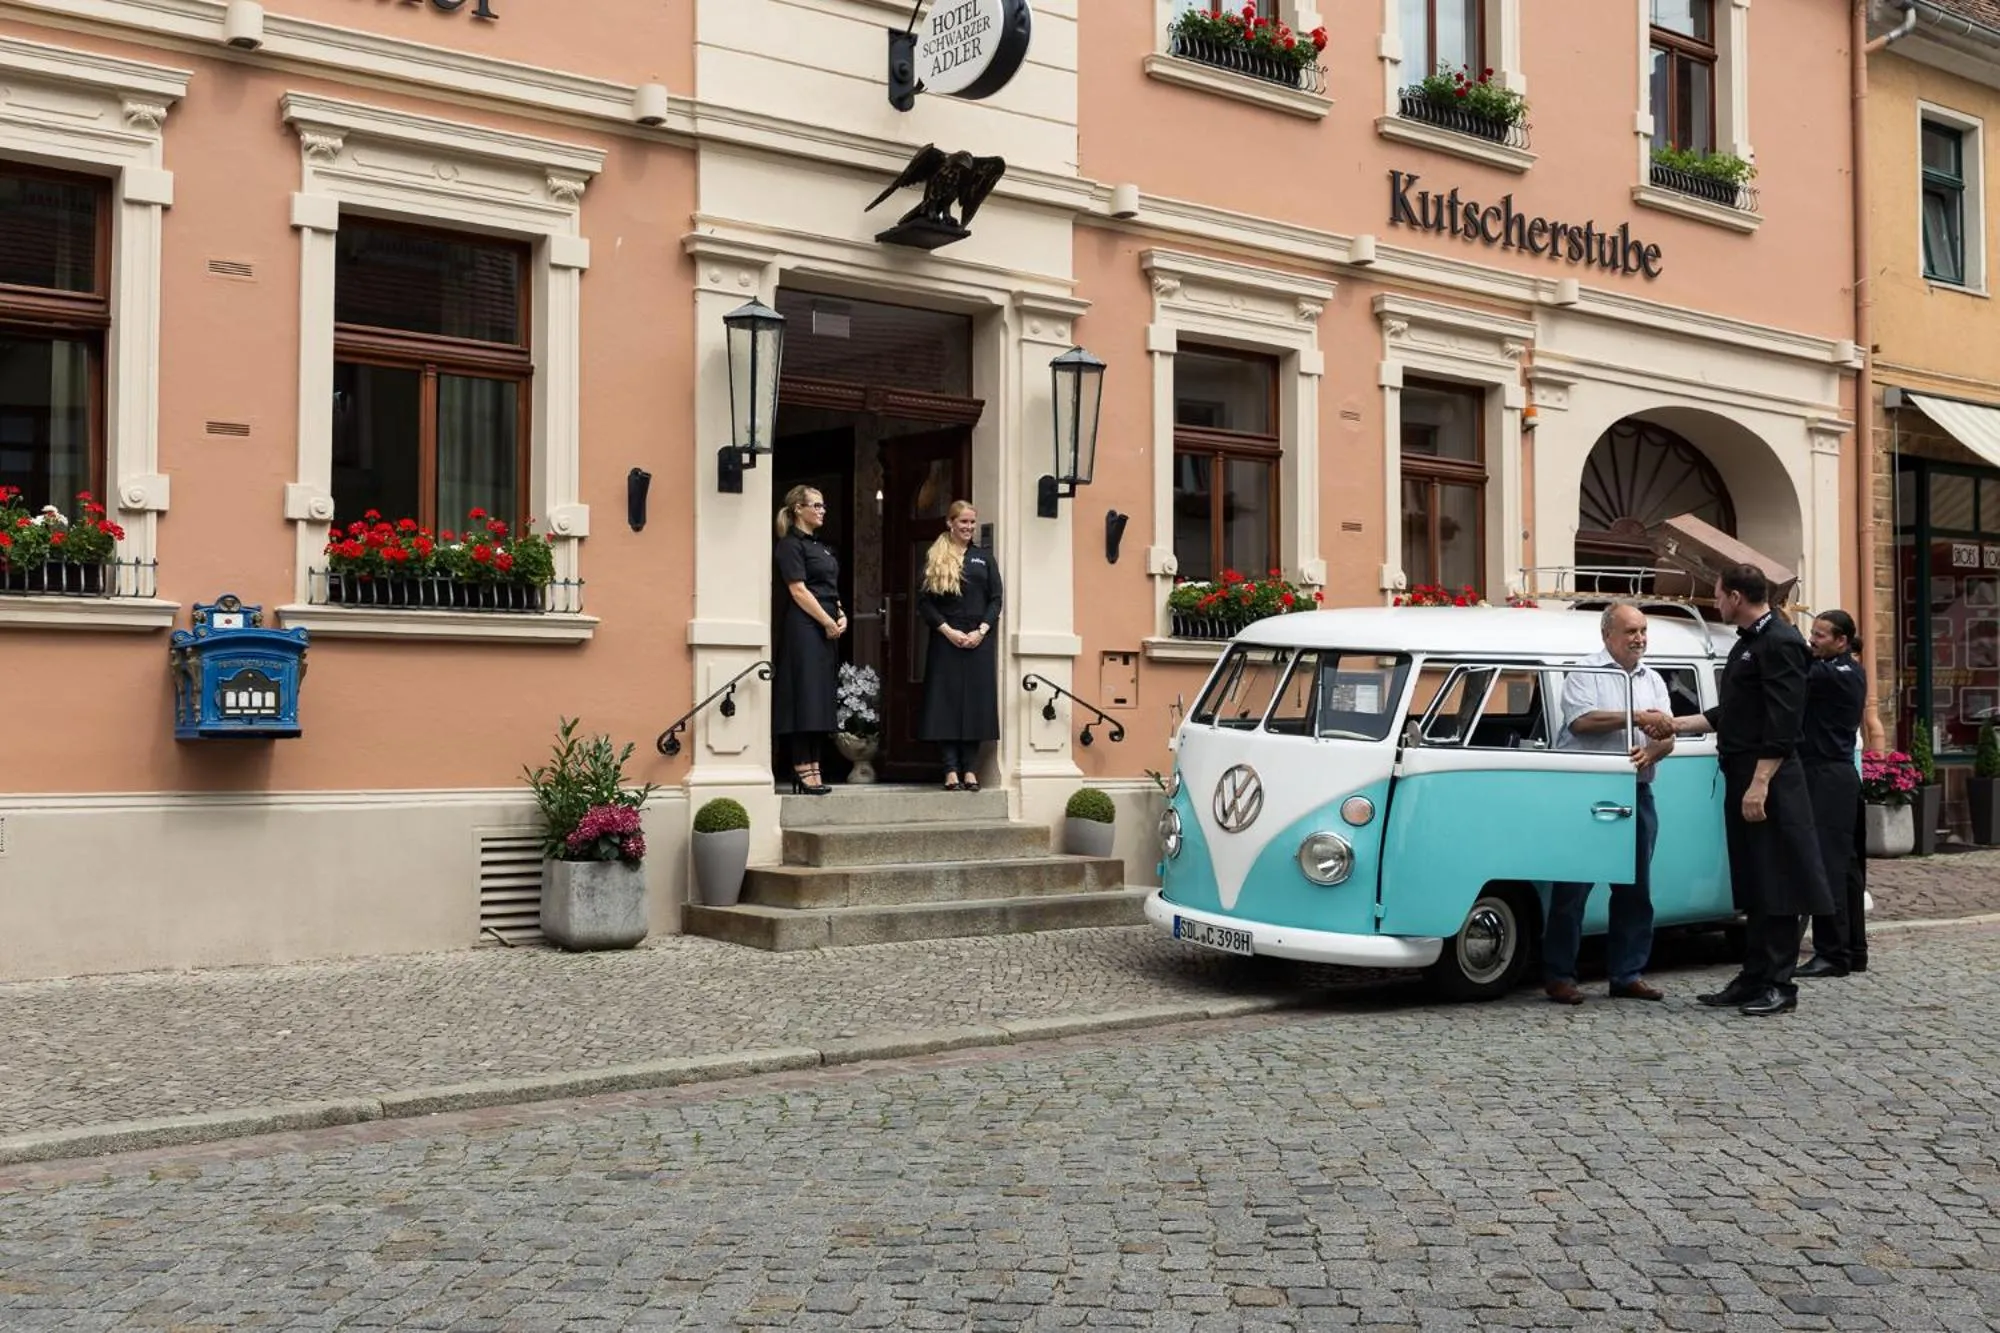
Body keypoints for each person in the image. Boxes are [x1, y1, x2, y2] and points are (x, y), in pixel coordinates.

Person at [1668, 564, 1834, 1016]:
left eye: (1718, 595)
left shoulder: (1780, 641)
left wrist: (1760, 783)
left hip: (1771, 777)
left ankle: (1780, 984)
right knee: (1755, 880)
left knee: (1778, 879)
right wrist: (1676, 723)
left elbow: (1783, 720)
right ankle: (1754, 975)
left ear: (1737, 596)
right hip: (1744, 771)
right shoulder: (1750, 642)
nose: (1715, 602)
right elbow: (1738, 710)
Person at [1544, 603, 1676, 1005]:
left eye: (1643, 631)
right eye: (1631, 631)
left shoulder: (1653, 678)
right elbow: (1581, 722)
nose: (1639, 639)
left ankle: (1627, 973)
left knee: (1636, 889)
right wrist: (1634, 716)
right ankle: (1559, 976)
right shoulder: (1586, 672)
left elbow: (1668, 732)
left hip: (1637, 791)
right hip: (1587, 792)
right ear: (1608, 636)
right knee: (1572, 889)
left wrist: (1654, 752)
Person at [1796, 609, 1868, 979]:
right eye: (1812, 632)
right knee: (1848, 868)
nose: (1812, 639)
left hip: (1827, 775)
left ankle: (1832, 953)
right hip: (1839, 775)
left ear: (1841, 641)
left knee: (1827, 866)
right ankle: (1854, 950)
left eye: (1820, 635)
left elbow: (1797, 672)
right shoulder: (1846, 669)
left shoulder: (1833, 673)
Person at [917, 500, 1003, 792]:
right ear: (950, 523)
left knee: (975, 706)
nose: (968, 527)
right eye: (963, 522)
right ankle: (951, 769)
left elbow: (996, 599)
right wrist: (948, 631)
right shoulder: (936, 557)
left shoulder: (984, 558)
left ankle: (970, 769)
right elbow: (925, 603)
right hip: (946, 640)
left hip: (978, 641)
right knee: (947, 704)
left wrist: (982, 631)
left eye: (972, 523)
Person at [772, 485, 845, 796]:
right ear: (798, 509)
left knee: (819, 698)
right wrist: (827, 620)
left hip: (827, 626)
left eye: (823, 505)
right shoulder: (790, 546)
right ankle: (801, 767)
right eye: (815, 505)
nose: (822, 510)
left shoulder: (825, 548)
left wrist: (840, 613)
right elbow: (798, 590)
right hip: (805, 626)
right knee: (804, 696)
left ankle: (816, 766)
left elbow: (830, 586)